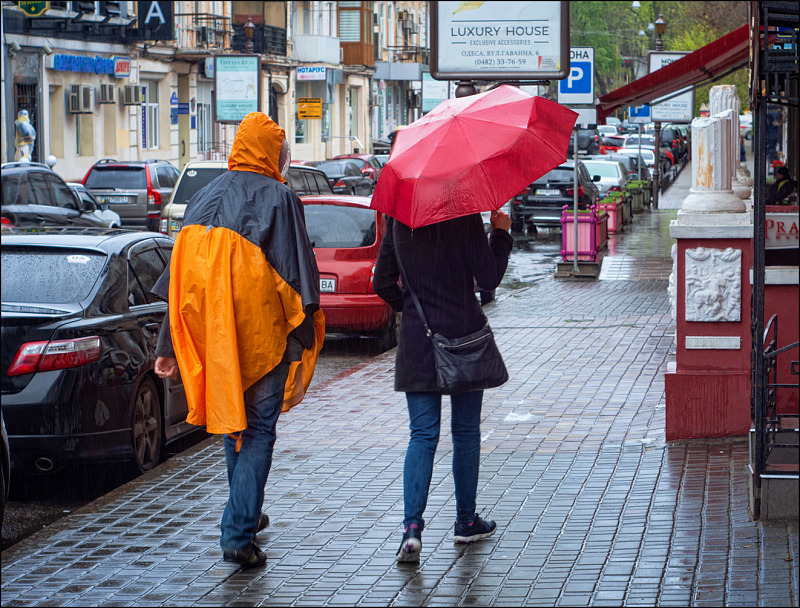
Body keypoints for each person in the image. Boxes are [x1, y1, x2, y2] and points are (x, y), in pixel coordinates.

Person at [152, 112, 325, 569]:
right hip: (261, 336)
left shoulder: (201, 198)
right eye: (282, 155)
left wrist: (167, 346)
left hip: (217, 340)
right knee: (259, 430)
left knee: (236, 427)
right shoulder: (279, 198)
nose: (285, 164)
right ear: (271, 155)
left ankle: (244, 513)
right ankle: (238, 531)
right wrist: (306, 331)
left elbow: (180, 282)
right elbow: (297, 273)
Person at [372, 209, 513, 562]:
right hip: (463, 336)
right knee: (465, 432)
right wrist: (500, 233)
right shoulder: (463, 217)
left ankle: (411, 530)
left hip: (419, 341)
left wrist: (411, 309)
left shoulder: (400, 220)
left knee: (422, 435)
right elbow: (489, 277)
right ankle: (466, 522)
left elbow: (382, 282)